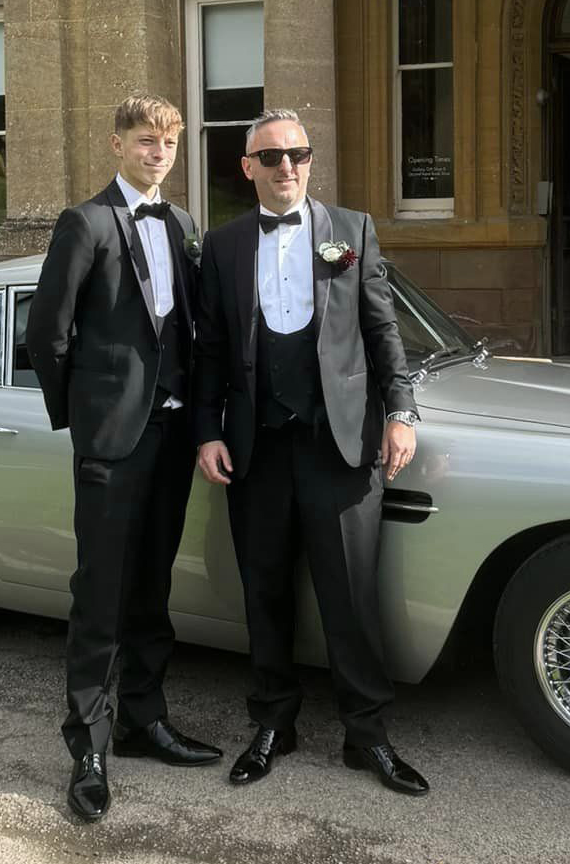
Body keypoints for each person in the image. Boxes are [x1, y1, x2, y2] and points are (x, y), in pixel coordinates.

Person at [192, 108, 430, 796]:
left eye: (298, 153)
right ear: (248, 168)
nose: (286, 166)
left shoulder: (350, 231)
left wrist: (401, 411)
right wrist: (207, 430)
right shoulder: (226, 244)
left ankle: (368, 736)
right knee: (263, 593)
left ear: (310, 160)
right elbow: (209, 349)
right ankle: (274, 724)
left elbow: (383, 330)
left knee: (350, 599)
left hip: (340, 445)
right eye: (271, 157)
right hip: (254, 449)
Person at [26, 94, 222, 823]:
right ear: (116, 144)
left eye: (167, 143)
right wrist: (82, 421)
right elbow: (47, 331)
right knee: (101, 595)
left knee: (151, 589)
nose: (157, 153)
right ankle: (90, 746)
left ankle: (145, 721)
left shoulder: (181, 223)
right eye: (145, 141)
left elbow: (193, 330)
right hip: (111, 442)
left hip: (171, 439)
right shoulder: (85, 222)